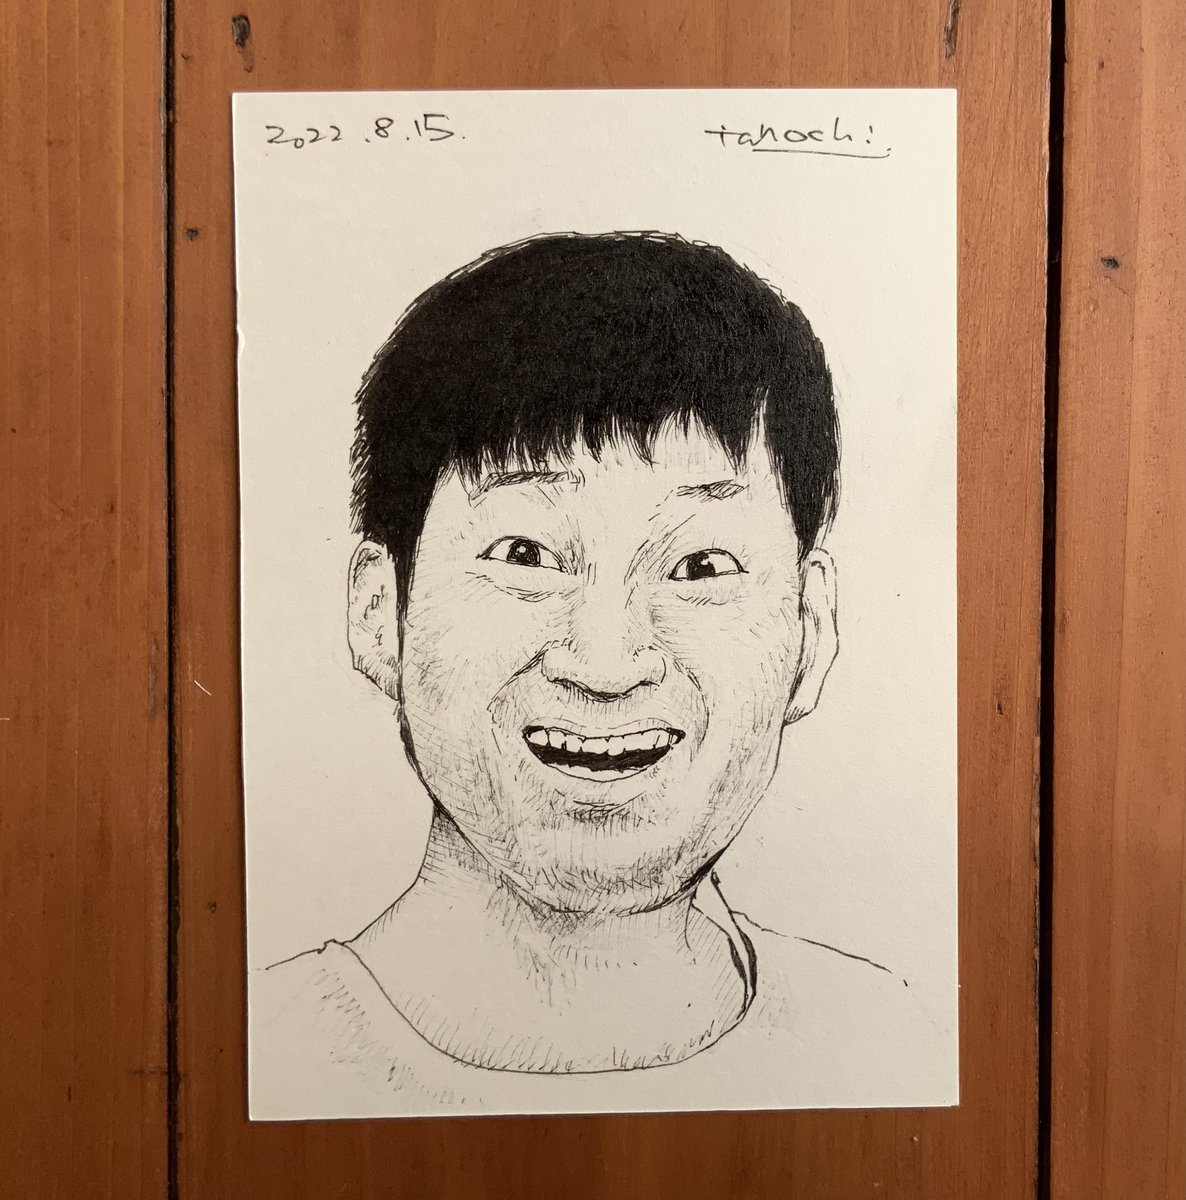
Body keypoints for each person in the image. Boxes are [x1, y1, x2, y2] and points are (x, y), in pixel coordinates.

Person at [252, 231, 912, 1119]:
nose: (606, 665)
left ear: (810, 627)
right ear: (380, 613)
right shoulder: (261, 1044)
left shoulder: (895, 1037)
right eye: (525, 555)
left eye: (699, 567)